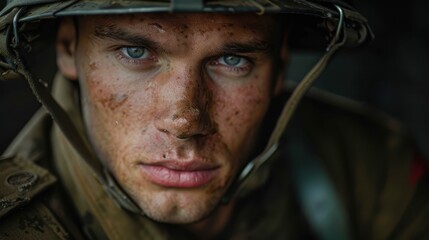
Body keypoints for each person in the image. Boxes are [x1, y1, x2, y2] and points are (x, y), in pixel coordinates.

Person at [0, 0, 427, 239]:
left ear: (280, 67)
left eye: (232, 59)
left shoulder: (370, 170)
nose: (186, 121)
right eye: (135, 53)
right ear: (68, 49)